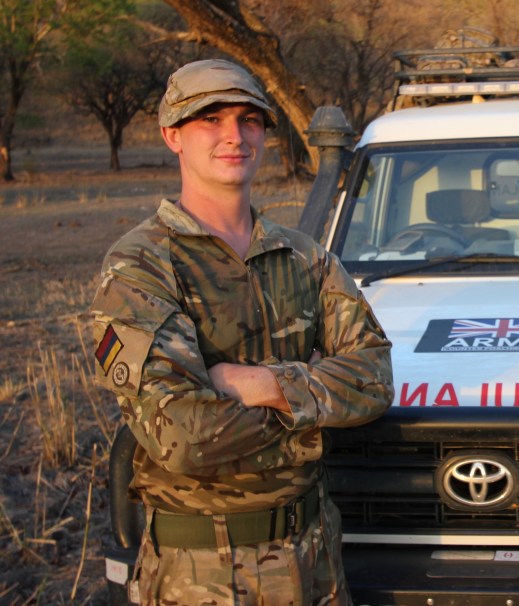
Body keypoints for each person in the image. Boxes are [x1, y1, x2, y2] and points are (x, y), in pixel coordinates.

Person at [90, 59, 394, 606]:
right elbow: (182, 436)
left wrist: (255, 383)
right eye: (211, 118)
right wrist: (318, 410)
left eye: (249, 119)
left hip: (316, 561)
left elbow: (374, 378)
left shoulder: (304, 257)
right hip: (202, 573)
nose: (234, 135)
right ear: (172, 135)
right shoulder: (140, 268)